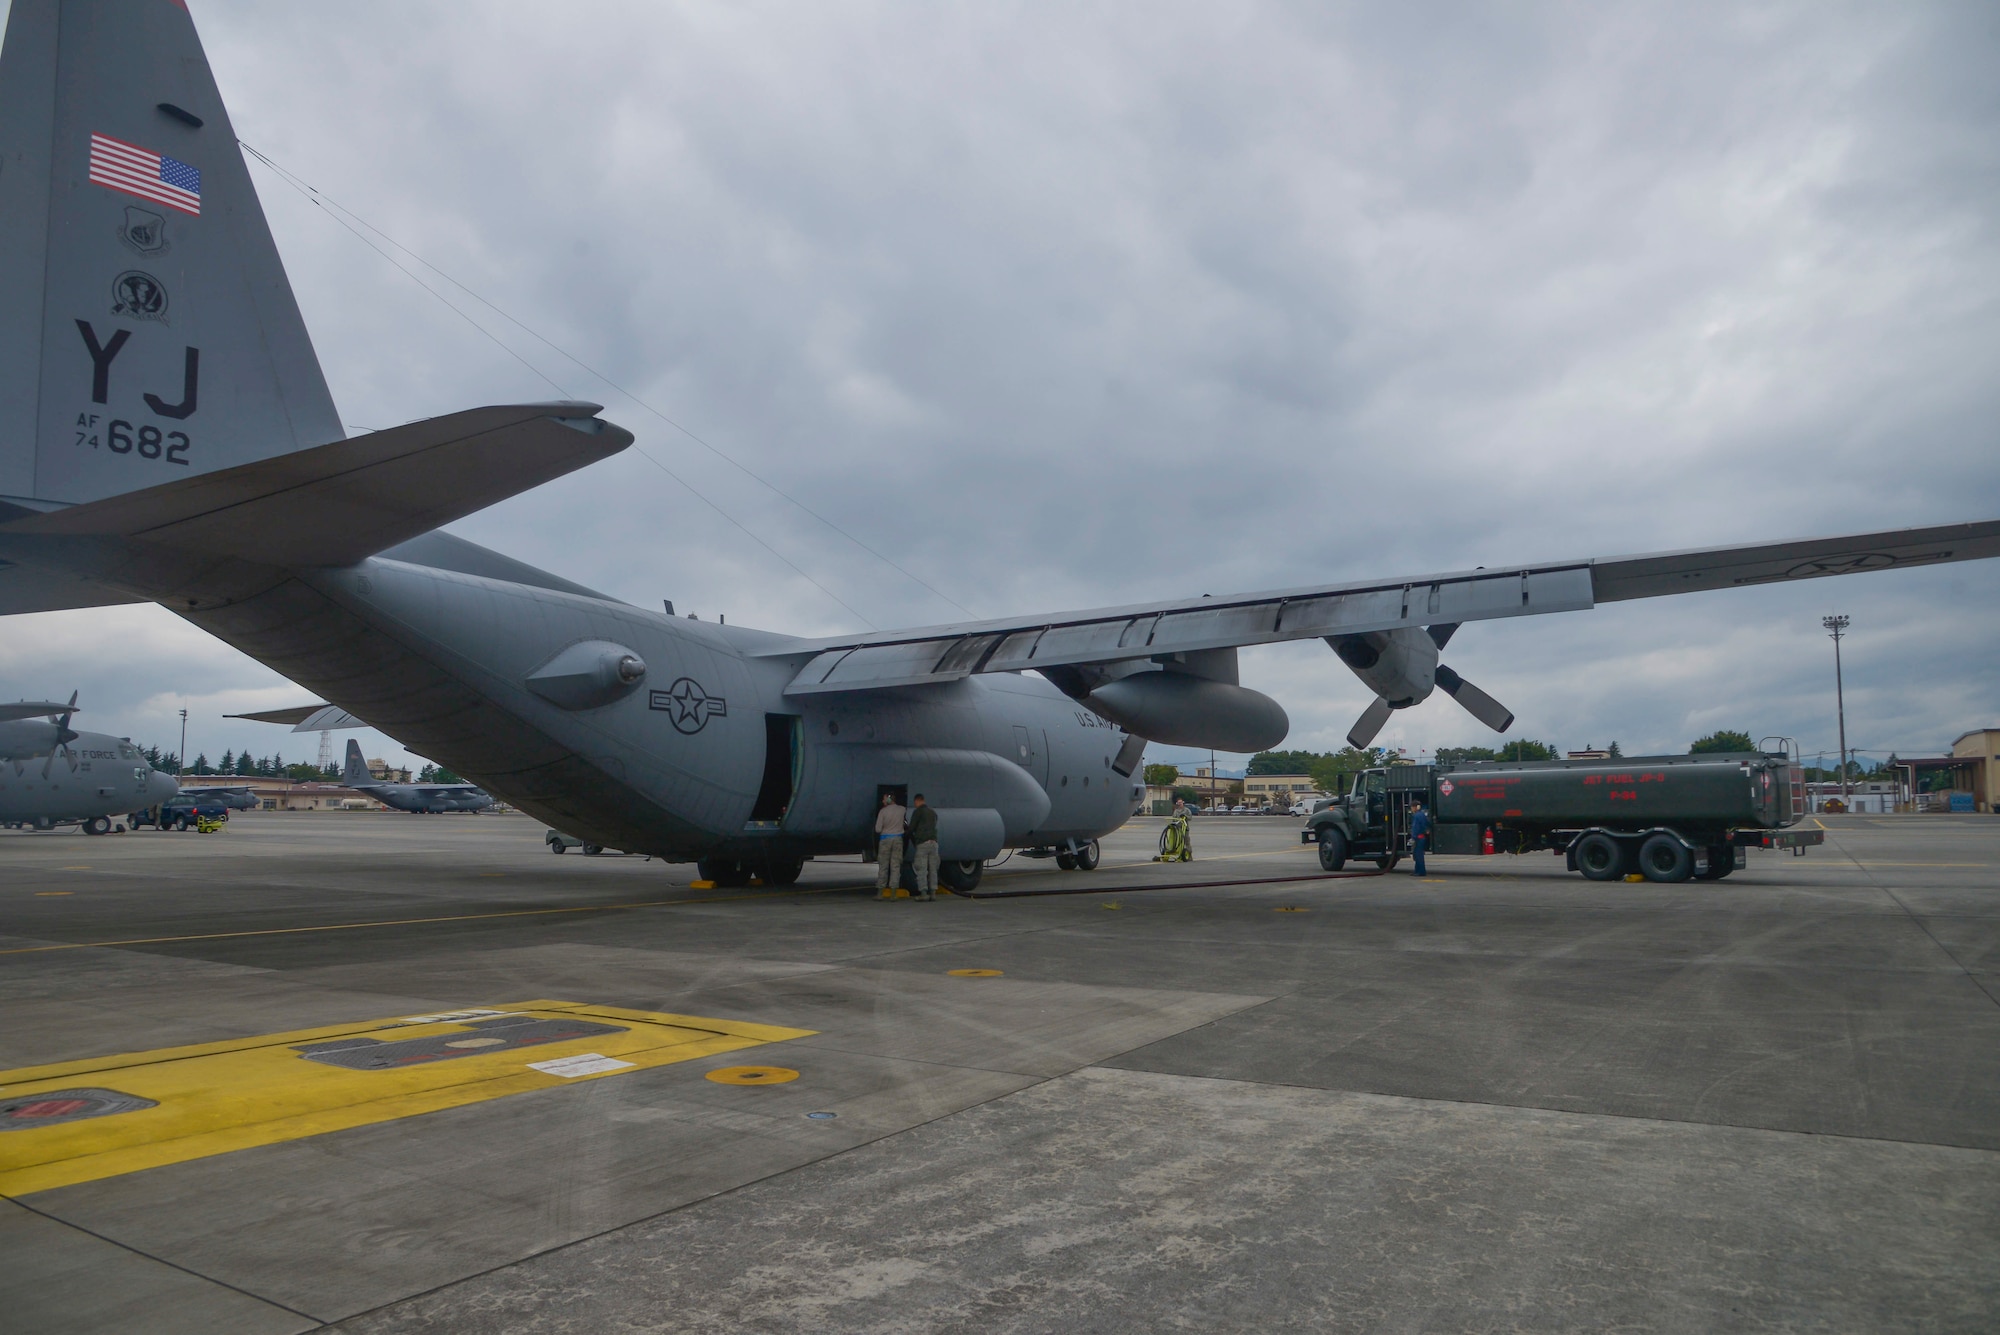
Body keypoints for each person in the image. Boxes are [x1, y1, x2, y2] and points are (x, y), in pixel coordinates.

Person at [907, 793, 940, 901]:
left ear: (917, 801)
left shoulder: (918, 812)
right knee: (933, 869)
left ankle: (923, 893)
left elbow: (911, 828)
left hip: (923, 844)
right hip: (934, 844)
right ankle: (933, 892)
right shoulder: (933, 812)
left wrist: (906, 834)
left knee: (921, 869)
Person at [874, 792, 907, 899]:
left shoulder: (882, 812)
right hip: (898, 839)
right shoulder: (902, 809)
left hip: (885, 840)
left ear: (888, 800)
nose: (882, 801)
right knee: (895, 866)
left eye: (884, 799)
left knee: (883, 866)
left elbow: (878, 829)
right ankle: (893, 893)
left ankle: (880, 893)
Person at [1408, 799, 1430, 876]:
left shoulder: (1417, 816)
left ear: (1414, 807)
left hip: (1418, 838)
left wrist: (1413, 837)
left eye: (1412, 807)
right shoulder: (1422, 814)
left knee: (1418, 855)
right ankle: (1417, 871)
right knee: (1418, 855)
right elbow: (1427, 824)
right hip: (1421, 837)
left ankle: (1420, 871)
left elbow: (1416, 828)